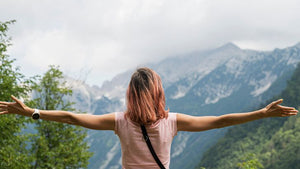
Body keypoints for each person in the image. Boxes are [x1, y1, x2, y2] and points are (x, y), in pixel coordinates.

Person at [0, 67, 298, 169]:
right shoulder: (173, 122)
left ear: (130, 94)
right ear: (158, 93)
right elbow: (220, 121)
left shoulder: (119, 121)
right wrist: (261, 113)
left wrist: (31, 111)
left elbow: (72, 118)